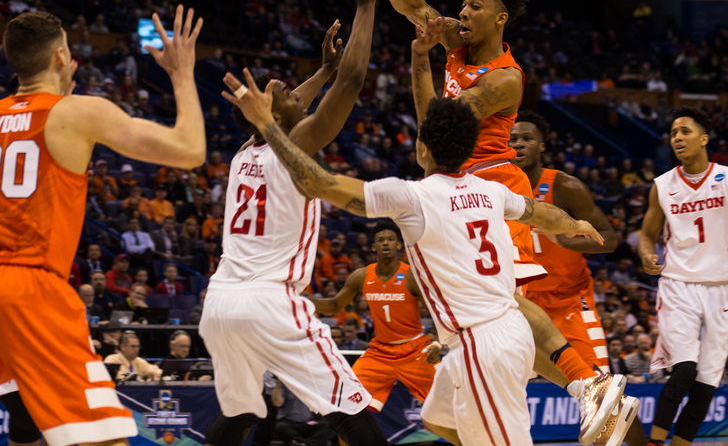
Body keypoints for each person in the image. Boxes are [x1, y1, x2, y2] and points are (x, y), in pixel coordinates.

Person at [225, 73, 608, 446]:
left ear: (422, 149)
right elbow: (542, 214)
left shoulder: (414, 197)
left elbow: (317, 183)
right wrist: (575, 224)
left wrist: (266, 126)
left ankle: (587, 385)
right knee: (436, 418)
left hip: (483, 346)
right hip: (493, 332)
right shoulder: (491, 191)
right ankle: (578, 382)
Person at [362, 0, 624, 443]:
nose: (463, 12)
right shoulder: (455, 45)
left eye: (475, 6)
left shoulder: (505, 78)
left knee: (502, 303)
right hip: (456, 184)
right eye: (462, 3)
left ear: (499, 18)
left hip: (493, 183)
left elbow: (438, 124)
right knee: (441, 421)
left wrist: (420, 63)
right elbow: (416, 10)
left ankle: (589, 383)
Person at [0, 10, 200, 446]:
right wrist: (181, 73)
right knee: (107, 438)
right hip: (29, 287)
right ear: (62, 56)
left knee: (22, 423)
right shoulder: (76, 112)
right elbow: (190, 150)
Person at [199, 0, 392, 446]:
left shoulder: (248, 150)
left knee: (240, 412)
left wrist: (323, 69)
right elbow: (348, 88)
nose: (282, 85)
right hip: (269, 300)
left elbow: (284, 115)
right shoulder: (296, 146)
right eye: (274, 89)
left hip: (220, 302)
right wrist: (367, 5)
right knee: (349, 407)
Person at [510, 110, 643, 446]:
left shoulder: (564, 185)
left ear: (542, 143)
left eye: (527, 137)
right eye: (512, 139)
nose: (518, 144)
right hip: (525, 304)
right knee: (508, 381)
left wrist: (564, 238)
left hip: (570, 302)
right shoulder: (501, 185)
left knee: (602, 388)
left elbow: (609, 237)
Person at [638, 107, 728, 446]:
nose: (677, 137)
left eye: (685, 131)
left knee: (707, 384)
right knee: (685, 371)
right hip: (678, 285)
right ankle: (654, 443)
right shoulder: (662, 185)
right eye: (673, 132)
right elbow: (646, 234)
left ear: (704, 138)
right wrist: (645, 253)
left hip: (721, 290)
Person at [311, 220, 440, 413]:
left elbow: (437, 313)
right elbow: (333, 305)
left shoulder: (412, 275)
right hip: (380, 352)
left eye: (390, 239)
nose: (385, 243)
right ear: (374, 246)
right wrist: (301, 300)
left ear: (398, 245)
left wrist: (437, 343)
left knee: (448, 406)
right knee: (347, 407)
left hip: (415, 350)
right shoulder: (361, 276)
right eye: (380, 240)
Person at [272, 378, 338, 446]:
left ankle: (304, 444)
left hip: (308, 423)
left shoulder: (311, 383)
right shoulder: (283, 383)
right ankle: (308, 443)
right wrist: (278, 382)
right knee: (280, 427)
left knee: (332, 427)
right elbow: (277, 403)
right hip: (289, 423)